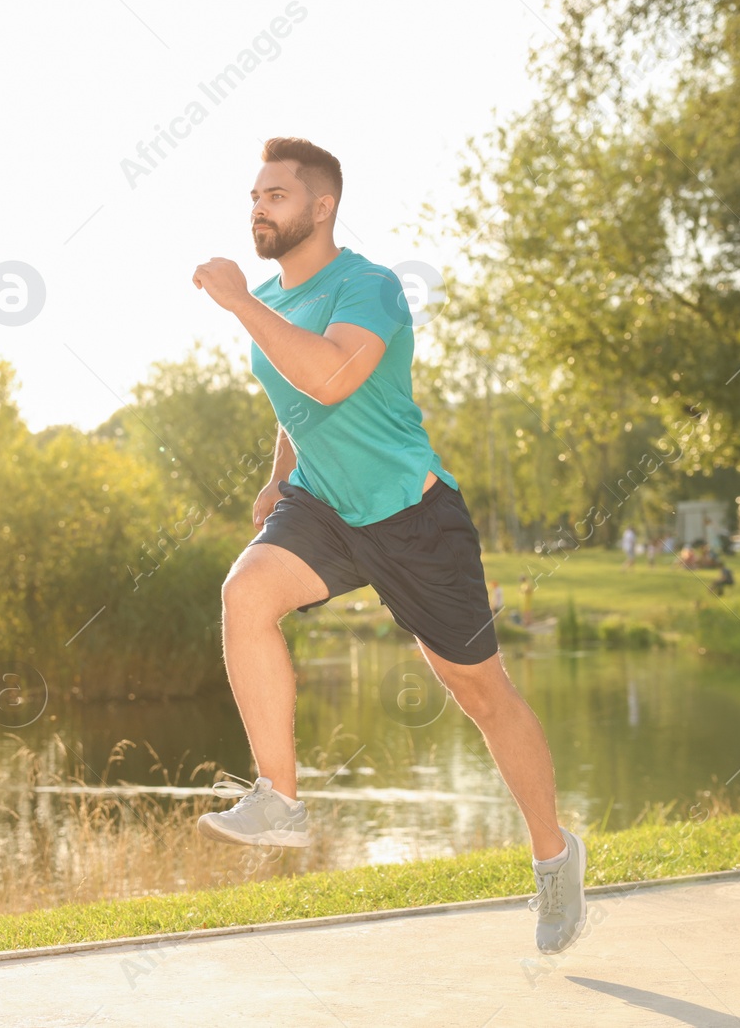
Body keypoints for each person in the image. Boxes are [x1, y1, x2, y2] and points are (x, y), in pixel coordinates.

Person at [191, 137, 586, 955]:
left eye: (274, 196)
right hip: (322, 508)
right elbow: (292, 403)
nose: (257, 208)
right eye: (254, 196)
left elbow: (332, 377)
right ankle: (280, 797)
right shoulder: (273, 298)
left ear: (321, 206)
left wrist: (238, 303)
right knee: (244, 593)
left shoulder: (367, 287)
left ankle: (554, 854)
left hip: (413, 519)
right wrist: (279, 475)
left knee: (482, 696)